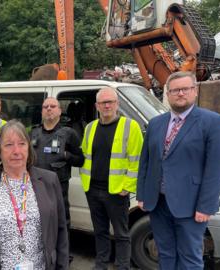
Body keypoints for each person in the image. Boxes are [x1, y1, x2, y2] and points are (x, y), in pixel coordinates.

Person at [137, 71, 220, 269]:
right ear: (168, 94)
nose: (180, 94)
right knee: (165, 253)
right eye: (175, 90)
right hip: (158, 203)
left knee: (189, 257)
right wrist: (142, 194)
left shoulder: (213, 122)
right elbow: (145, 161)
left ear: (194, 91)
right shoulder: (156, 123)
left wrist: (206, 206)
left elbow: (217, 169)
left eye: (185, 89)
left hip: (191, 204)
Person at [0, 120, 69, 270]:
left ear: (28, 148)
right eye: (8, 145)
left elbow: (61, 232)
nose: (16, 151)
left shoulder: (49, 180)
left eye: (22, 144)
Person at [80, 87, 143, 270]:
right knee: (100, 232)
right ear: (96, 105)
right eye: (103, 102)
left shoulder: (130, 126)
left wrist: (127, 186)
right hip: (93, 189)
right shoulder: (90, 127)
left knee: (122, 233)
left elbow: (136, 160)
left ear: (117, 104)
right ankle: (101, 265)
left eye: (110, 102)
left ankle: (122, 266)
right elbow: (85, 155)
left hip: (117, 191)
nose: (107, 105)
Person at [29, 97, 85, 262]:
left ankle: (63, 255)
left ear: (60, 111)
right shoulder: (33, 132)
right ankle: (39, 252)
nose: (49, 109)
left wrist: (67, 155)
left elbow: (81, 160)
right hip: (35, 185)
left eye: (53, 106)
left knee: (61, 221)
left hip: (58, 186)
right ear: (42, 111)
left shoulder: (69, 133)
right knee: (36, 219)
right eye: (45, 106)